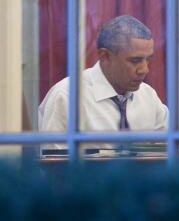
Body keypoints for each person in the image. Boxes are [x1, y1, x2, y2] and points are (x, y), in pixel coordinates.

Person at [38, 15, 168, 133]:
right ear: (105, 56)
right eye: (135, 60)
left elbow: (172, 152)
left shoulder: (148, 96)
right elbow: (54, 158)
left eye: (148, 59)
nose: (145, 69)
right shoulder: (67, 96)